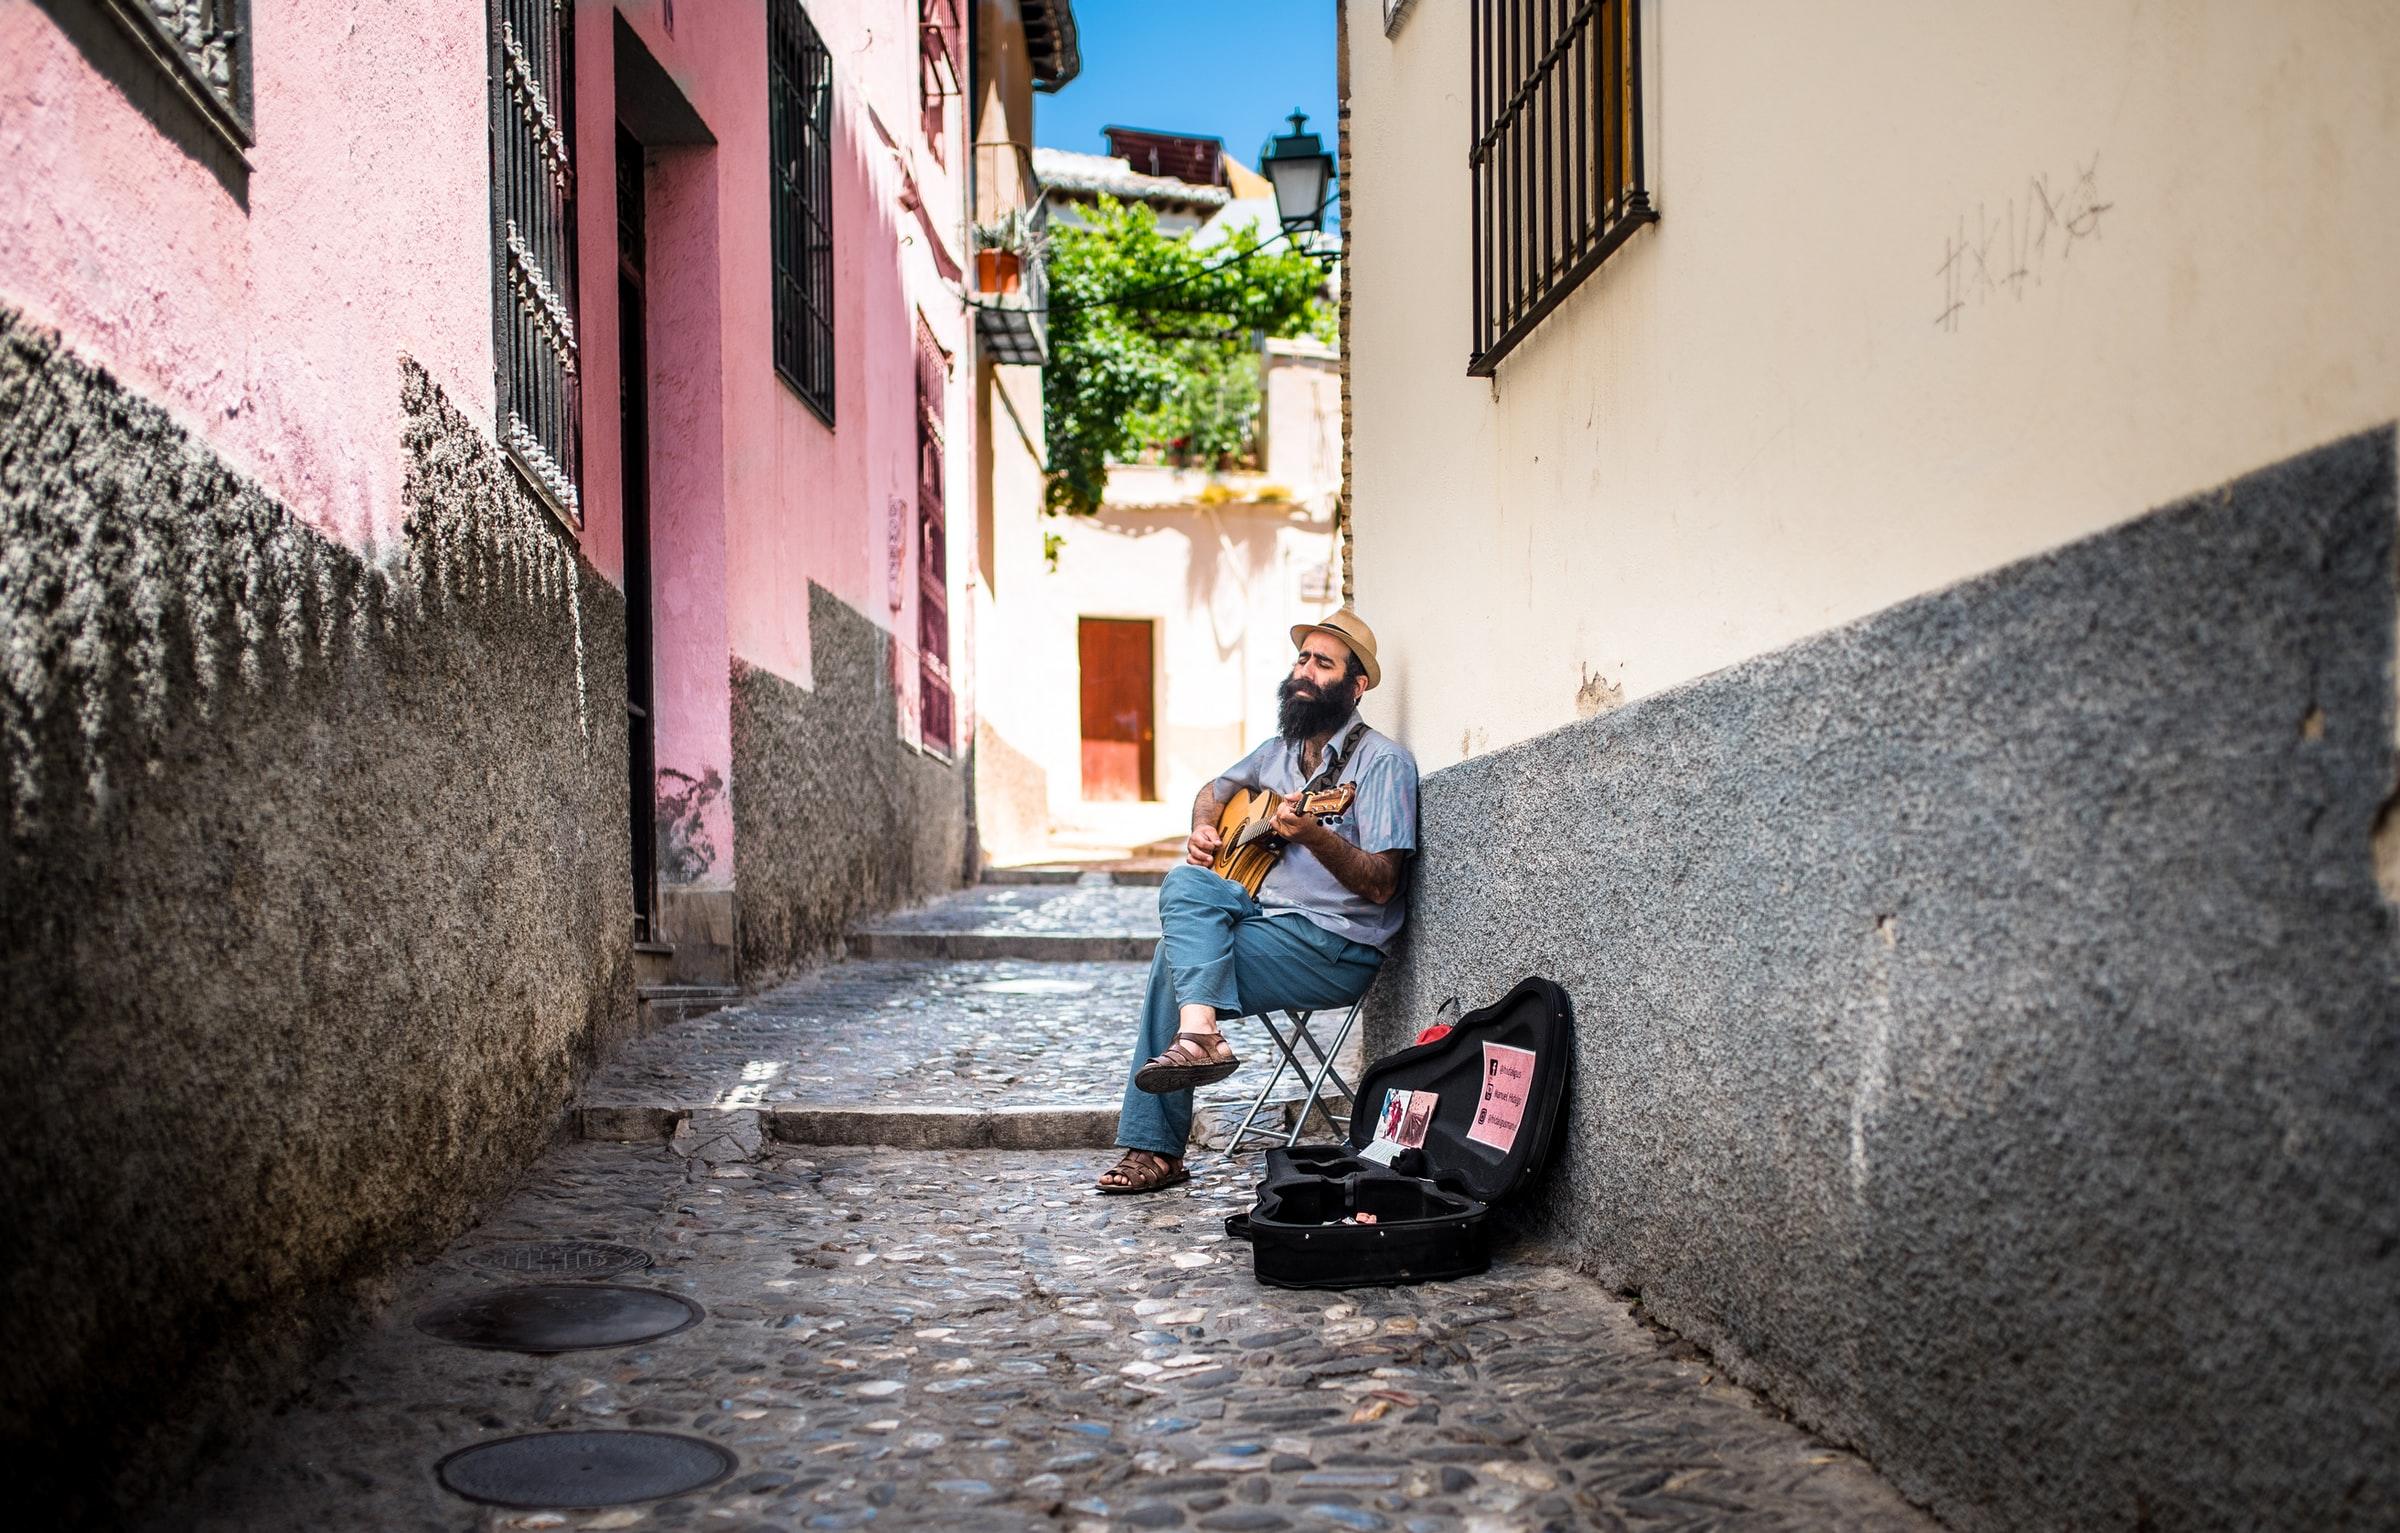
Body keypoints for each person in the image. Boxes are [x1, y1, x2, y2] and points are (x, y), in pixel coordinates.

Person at [1095, 608, 1420, 1195]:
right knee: (1186, 882)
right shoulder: (1278, 752)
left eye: (1323, 663)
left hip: (1335, 945)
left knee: (1173, 958)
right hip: (1263, 919)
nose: (1304, 671)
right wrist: (1203, 829)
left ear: (1356, 686)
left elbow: (1381, 884)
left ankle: (1158, 1141)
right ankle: (1200, 1035)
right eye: (1302, 658)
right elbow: (1212, 791)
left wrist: (1314, 834)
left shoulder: (1382, 764)